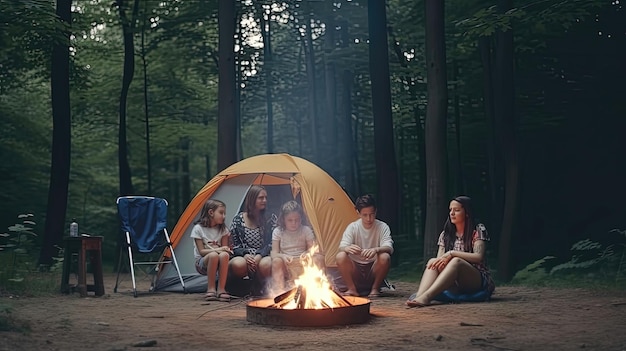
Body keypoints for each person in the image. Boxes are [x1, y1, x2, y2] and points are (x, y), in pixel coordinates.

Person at [406, 195, 495, 308]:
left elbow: (478, 257)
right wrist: (440, 261)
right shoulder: (446, 234)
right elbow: (439, 260)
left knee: (456, 261)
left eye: (456, 210)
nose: (452, 213)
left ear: (467, 213)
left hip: (475, 280)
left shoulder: (477, 230)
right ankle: (419, 295)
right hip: (452, 282)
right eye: (450, 210)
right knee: (433, 261)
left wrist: (452, 253)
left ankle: (427, 297)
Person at [336, 194, 394, 298]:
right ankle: (352, 289)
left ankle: (375, 289)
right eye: (365, 215)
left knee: (385, 257)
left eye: (371, 214)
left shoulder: (382, 226)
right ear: (358, 213)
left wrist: (376, 250)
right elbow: (342, 246)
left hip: (373, 268)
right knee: (341, 256)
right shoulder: (353, 227)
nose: (368, 218)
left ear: (376, 211)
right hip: (355, 268)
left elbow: (389, 247)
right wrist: (347, 248)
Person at [229, 185, 274, 291]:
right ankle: (240, 286)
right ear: (252, 199)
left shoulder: (270, 218)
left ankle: (262, 285)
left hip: (263, 255)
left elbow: (272, 242)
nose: (264, 200)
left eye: (266, 198)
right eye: (261, 198)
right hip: (245, 256)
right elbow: (233, 244)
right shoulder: (238, 219)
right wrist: (245, 254)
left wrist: (259, 255)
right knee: (238, 265)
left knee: (267, 264)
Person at [270, 200, 322, 291]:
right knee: (276, 261)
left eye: (297, 220)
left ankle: (318, 289)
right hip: (287, 263)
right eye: (290, 220)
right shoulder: (278, 231)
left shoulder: (306, 230)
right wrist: (283, 256)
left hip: (303, 263)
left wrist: (307, 253)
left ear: (301, 218)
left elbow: (312, 249)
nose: (294, 223)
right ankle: (279, 291)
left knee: (318, 258)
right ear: (283, 219)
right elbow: (274, 253)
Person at [190, 199, 235, 302]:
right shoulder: (198, 229)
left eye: (224, 213)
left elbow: (224, 251)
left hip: (219, 260)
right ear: (211, 212)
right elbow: (201, 251)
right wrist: (219, 249)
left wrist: (225, 250)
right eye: (221, 213)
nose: (223, 216)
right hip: (202, 262)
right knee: (214, 255)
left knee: (224, 255)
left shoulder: (223, 230)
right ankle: (211, 289)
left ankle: (221, 289)